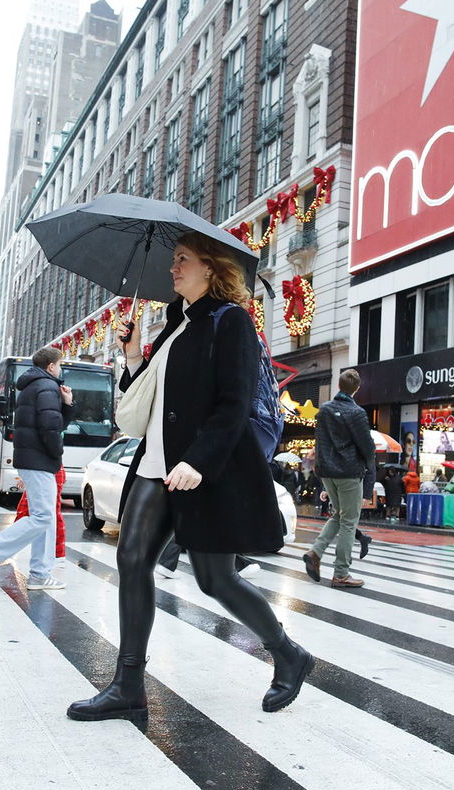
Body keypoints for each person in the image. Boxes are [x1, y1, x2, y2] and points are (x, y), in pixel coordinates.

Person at [68, 232, 313, 727]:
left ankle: (288, 653)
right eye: (174, 260)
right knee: (132, 559)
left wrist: (199, 460)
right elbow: (146, 401)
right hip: (153, 464)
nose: (173, 268)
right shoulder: (175, 325)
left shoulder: (232, 321)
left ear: (210, 267)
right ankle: (127, 685)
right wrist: (135, 355)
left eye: (182, 260)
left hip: (203, 471)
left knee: (215, 580)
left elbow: (233, 402)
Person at [0, 347, 75, 589]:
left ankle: (40, 574)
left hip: (32, 458)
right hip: (40, 459)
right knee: (42, 516)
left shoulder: (32, 386)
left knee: (46, 516)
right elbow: (51, 427)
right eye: (60, 364)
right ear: (51, 366)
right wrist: (56, 454)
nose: (60, 369)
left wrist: (68, 404)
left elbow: (51, 420)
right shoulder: (47, 387)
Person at [302, 369, 375, 589]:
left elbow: (320, 441)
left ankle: (315, 552)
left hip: (327, 472)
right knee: (349, 521)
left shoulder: (324, 411)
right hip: (349, 472)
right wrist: (367, 463)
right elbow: (367, 447)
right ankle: (341, 573)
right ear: (357, 389)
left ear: (339, 387)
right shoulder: (357, 414)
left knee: (338, 515)